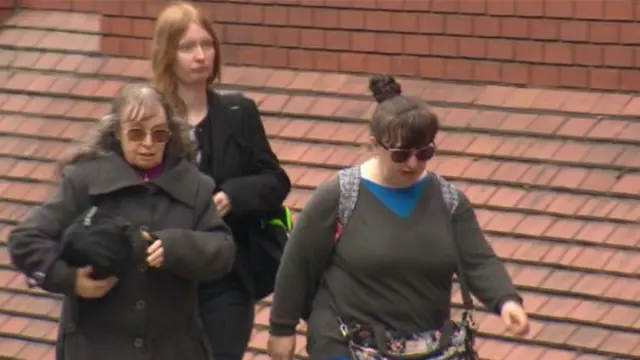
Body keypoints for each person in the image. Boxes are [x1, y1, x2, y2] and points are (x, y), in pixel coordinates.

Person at [267, 75, 530, 360]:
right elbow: (297, 266)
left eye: (425, 152)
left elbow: (478, 260)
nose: (413, 163)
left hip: (426, 344)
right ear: (374, 146)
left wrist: (506, 302)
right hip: (346, 342)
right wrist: (282, 330)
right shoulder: (339, 196)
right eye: (401, 154)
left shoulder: (449, 201)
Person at [7, 83, 236, 360]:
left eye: (159, 134)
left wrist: (174, 247)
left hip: (173, 350)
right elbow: (25, 239)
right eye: (137, 133)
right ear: (117, 132)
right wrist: (68, 279)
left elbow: (223, 250)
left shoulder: (194, 186)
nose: (149, 144)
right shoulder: (84, 181)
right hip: (96, 349)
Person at [150, 3, 292, 360]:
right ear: (167, 54)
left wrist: (232, 196)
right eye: (187, 47)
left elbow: (275, 181)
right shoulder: (151, 120)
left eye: (207, 44)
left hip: (227, 274)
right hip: (166, 275)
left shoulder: (238, 112)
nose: (201, 55)